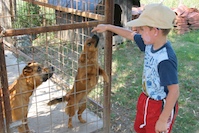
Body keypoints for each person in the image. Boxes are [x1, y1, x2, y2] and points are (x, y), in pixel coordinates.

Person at [91, 2, 179, 133]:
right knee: (140, 128)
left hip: (159, 105)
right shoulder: (150, 43)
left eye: (142, 29)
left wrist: (162, 119)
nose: (138, 32)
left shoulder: (165, 59)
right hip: (146, 98)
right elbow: (129, 35)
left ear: (155, 31)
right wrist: (108, 27)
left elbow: (174, 91)